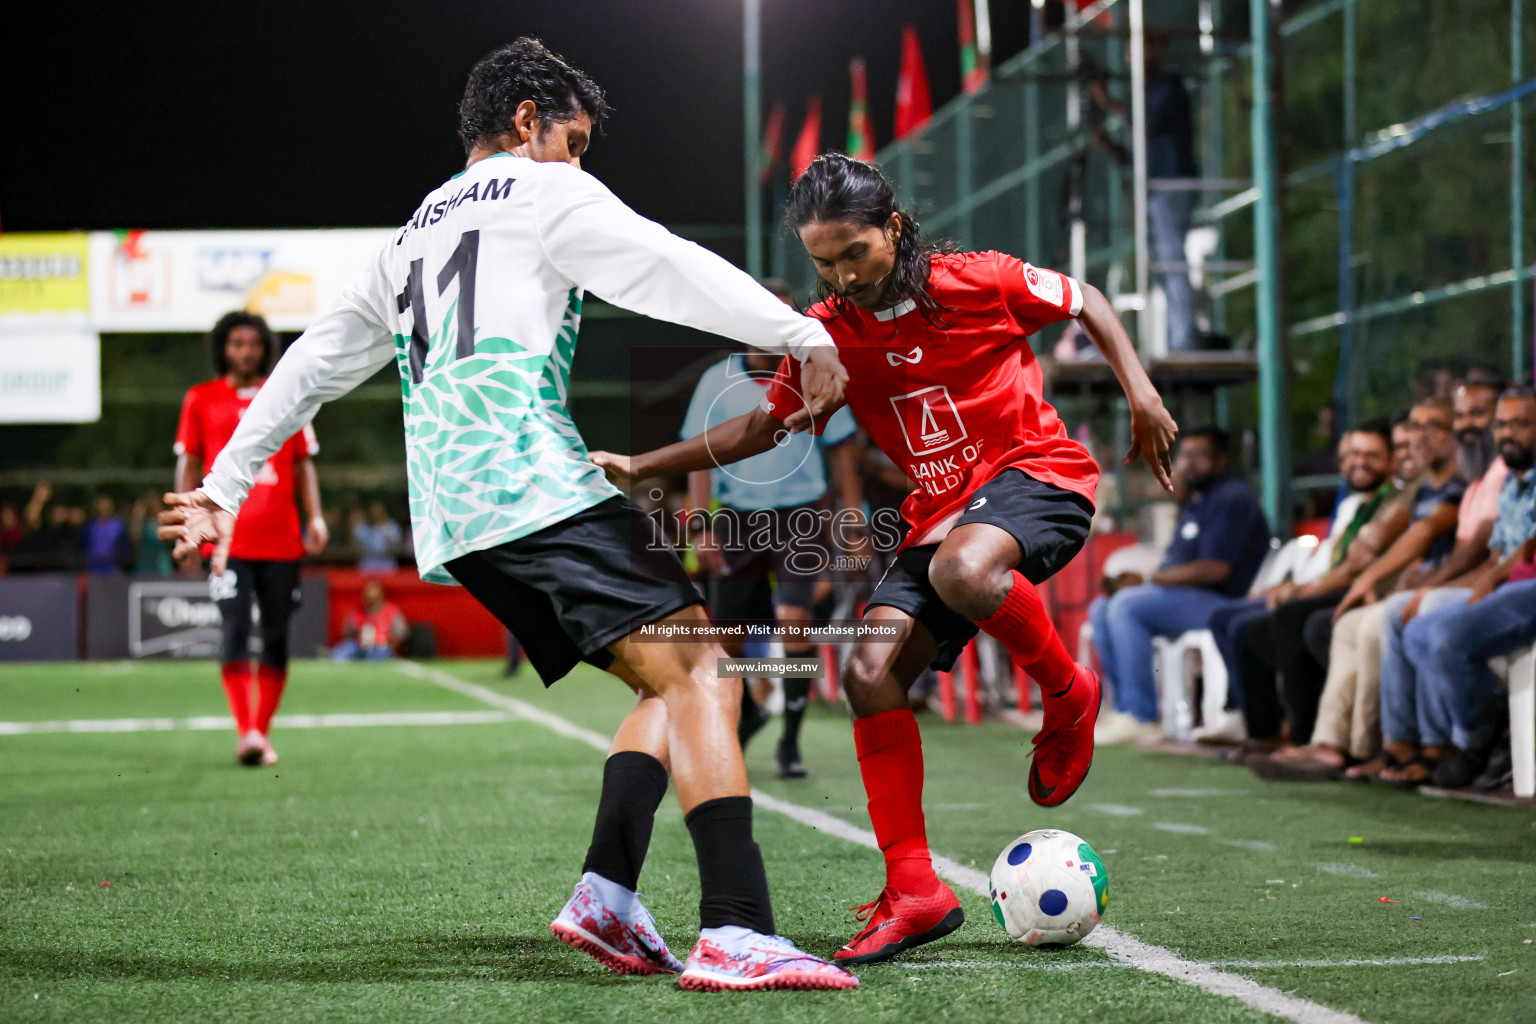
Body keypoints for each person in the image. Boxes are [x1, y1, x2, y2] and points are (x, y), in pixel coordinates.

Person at [160, 39, 855, 992]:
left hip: (454, 514)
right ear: (528, 120)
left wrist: (222, 487)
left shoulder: (411, 232)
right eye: (574, 138)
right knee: (704, 663)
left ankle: (608, 898)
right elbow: (668, 265)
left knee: (672, 676)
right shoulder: (547, 192)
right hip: (529, 480)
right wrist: (798, 329)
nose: (581, 162)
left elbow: (312, 364)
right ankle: (738, 930)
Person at [590, 152, 1179, 965]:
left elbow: (1088, 300)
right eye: (823, 262)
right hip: (940, 518)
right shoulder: (827, 334)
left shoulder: (982, 280)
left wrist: (1140, 391)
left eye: (853, 254)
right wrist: (643, 463)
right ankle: (915, 891)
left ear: (893, 228)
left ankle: (1067, 691)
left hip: (1035, 478)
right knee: (868, 673)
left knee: (964, 573)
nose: (840, 275)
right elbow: (761, 428)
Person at [681, 278, 862, 780]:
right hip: (737, 520)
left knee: (794, 621)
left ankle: (790, 739)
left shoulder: (812, 374)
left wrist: (852, 521)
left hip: (800, 515)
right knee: (731, 641)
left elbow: (843, 451)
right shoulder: (716, 381)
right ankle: (748, 714)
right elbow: (698, 459)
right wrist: (702, 527)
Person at [175, 311, 329, 767]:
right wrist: (188, 519)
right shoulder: (200, 399)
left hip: (282, 539)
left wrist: (315, 518)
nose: (246, 351)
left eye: (254, 343)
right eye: (237, 343)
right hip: (229, 543)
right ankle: (248, 734)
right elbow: (189, 460)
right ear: (223, 347)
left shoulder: (285, 397)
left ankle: (261, 729)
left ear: (266, 347)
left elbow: (303, 464)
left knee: (278, 637)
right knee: (236, 630)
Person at [1373, 387, 1536, 788]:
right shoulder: (1513, 484)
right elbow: (1498, 554)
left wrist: (1489, 580)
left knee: (1446, 636)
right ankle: (1478, 729)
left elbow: (1522, 553)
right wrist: (1486, 579)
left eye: (1521, 424)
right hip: (1508, 588)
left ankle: (1480, 741)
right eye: (1503, 424)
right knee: (1417, 632)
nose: (1508, 433)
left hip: (1529, 586)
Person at [1090, 428, 1270, 744]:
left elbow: (1215, 570)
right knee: (1101, 606)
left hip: (1221, 602)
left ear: (1221, 461)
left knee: (1126, 605)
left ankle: (1142, 716)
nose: (1187, 464)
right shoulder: (1198, 500)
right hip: (1181, 598)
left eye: (1199, 456)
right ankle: (1123, 709)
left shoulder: (1231, 499)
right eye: (1183, 456)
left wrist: (1147, 580)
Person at [1090, 34, 1198, 352]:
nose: (1129, 57)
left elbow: (1147, 123)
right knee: (1160, 263)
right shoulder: (1142, 93)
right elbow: (1137, 154)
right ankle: (1181, 333)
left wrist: (1108, 103)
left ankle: (1185, 339)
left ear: (1156, 49)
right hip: (1152, 188)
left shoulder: (1168, 86)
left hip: (1171, 185)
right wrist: (1110, 147)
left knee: (1172, 259)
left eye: (1137, 48)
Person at [333, 579, 408, 660]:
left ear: (381, 595)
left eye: (374, 595)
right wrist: (357, 632)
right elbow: (347, 635)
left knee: (378, 654)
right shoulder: (356, 613)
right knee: (342, 651)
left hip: (382, 647)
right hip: (359, 646)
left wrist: (385, 641)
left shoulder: (392, 612)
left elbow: (401, 635)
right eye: (368, 594)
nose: (370, 597)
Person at [82, 495, 132, 574]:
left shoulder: (119, 525)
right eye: (101, 505)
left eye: (105, 505)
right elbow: (85, 546)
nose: (103, 508)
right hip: (94, 569)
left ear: (111, 507)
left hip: (114, 569)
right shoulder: (90, 526)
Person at [352, 500, 403, 572]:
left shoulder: (392, 527)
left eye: (378, 511)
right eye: (373, 511)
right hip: (367, 566)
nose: (376, 513)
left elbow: (397, 548)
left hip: (387, 566)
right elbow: (354, 548)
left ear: (384, 511)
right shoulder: (363, 528)